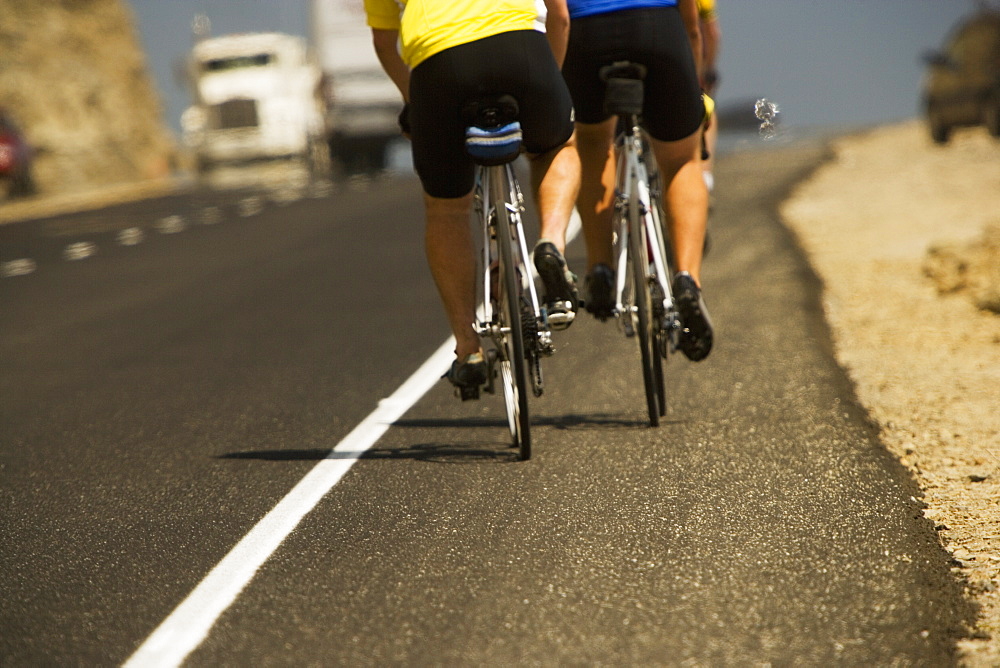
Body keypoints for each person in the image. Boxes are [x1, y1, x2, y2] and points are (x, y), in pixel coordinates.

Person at [364, 0, 582, 396]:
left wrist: (415, 102)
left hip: (439, 62)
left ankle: (468, 349)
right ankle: (551, 243)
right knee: (558, 147)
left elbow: (384, 43)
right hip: (520, 46)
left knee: (447, 208)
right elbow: (561, 15)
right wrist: (551, 85)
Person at [562, 0, 714, 361]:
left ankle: (600, 267)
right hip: (658, 28)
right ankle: (687, 281)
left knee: (593, 143)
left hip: (585, 35)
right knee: (680, 160)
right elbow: (692, 23)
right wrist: (694, 86)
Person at [697, 0, 721, 194]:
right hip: (686, 58)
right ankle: (705, 174)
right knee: (707, 105)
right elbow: (712, 33)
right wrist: (708, 68)